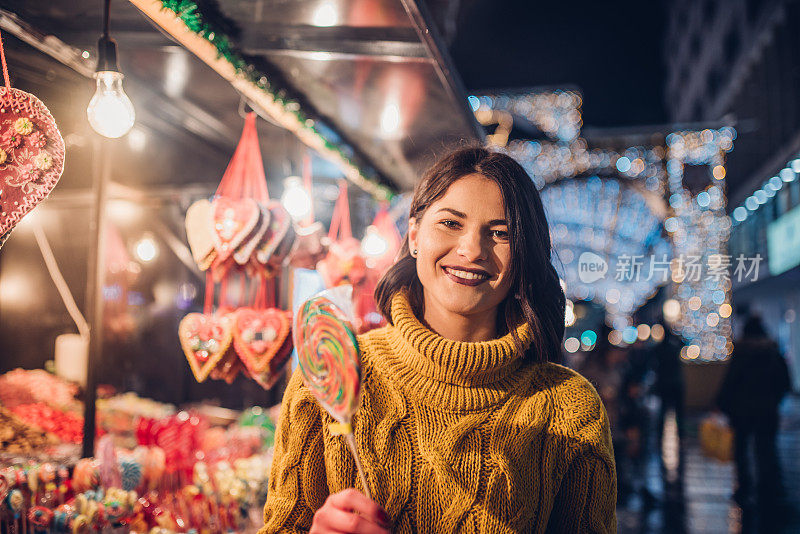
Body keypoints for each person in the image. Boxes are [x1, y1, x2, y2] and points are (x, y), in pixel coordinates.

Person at [260, 147, 617, 533]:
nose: (471, 250)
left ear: (524, 256)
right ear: (415, 236)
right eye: (450, 223)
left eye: (500, 233)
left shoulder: (568, 407)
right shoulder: (332, 375)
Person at [717, 315, 791, 510]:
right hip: (767, 410)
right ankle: (769, 489)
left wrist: (722, 403)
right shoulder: (773, 352)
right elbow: (785, 381)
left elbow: (731, 381)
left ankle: (744, 487)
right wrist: (774, 400)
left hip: (743, 410)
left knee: (741, 450)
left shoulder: (741, 352)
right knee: (766, 449)